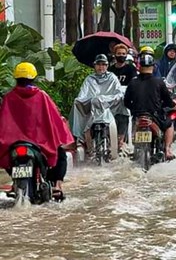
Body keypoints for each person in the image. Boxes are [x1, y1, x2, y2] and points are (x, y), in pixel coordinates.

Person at [0, 63, 74, 200]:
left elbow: (3, 122)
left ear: (16, 78)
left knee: (6, 156)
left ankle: (14, 184)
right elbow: (54, 118)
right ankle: (57, 185)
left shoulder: (8, 97)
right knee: (60, 153)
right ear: (33, 78)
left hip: (13, 143)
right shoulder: (42, 96)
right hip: (40, 143)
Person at [69, 54, 127, 157]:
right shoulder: (89, 79)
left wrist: (105, 100)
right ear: (94, 66)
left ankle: (120, 141)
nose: (101, 67)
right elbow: (82, 95)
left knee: (124, 107)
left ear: (107, 65)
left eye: (103, 64)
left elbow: (118, 93)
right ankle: (79, 139)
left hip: (109, 108)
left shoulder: (112, 78)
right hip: (92, 109)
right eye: (99, 64)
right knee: (76, 103)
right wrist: (91, 100)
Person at [124, 54, 176, 160]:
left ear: (139, 67)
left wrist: (134, 110)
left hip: (138, 116)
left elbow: (126, 102)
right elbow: (168, 101)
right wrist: (171, 104)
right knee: (169, 125)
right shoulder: (159, 82)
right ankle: (167, 149)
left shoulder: (133, 82)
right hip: (155, 116)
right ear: (153, 67)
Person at [108, 44, 136, 148]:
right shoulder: (110, 70)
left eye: (123, 54)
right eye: (119, 53)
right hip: (111, 98)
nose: (121, 55)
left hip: (125, 98)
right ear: (114, 55)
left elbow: (133, 83)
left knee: (123, 115)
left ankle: (121, 140)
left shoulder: (130, 69)